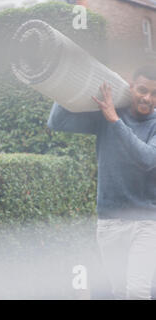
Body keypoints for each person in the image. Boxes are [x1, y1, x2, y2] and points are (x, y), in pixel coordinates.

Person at [47, 65, 156, 299]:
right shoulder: (107, 112)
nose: (148, 98)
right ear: (131, 87)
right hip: (110, 221)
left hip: (146, 222)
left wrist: (115, 120)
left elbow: (147, 159)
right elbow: (58, 122)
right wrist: (66, 84)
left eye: (154, 93)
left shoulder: (129, 119)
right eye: (143, 90)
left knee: (137, 291)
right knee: (118, 289)